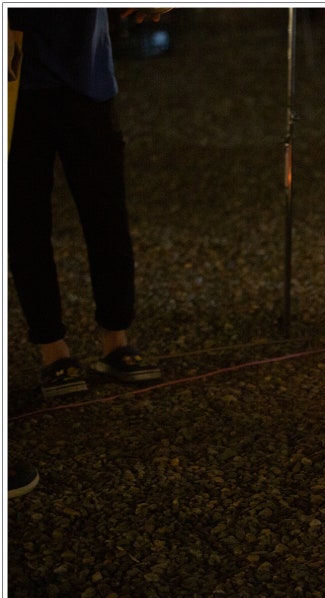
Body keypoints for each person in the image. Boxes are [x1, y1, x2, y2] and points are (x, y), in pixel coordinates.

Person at [8, 8, 161, 399]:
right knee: (26, 222)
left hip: (87, 77)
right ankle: (52, 349)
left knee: (106, 215)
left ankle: (116, 338)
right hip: (15, 78)